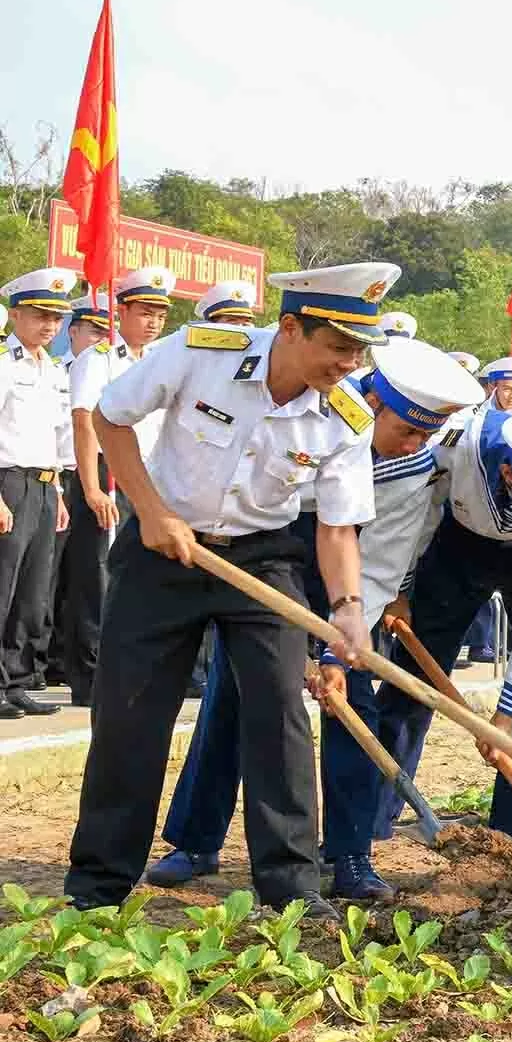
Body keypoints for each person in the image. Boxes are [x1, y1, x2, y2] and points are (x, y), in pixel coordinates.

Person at [65, 262, 391, 918]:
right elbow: (110, 417)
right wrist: (150, 511)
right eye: (338, 347)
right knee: (130, 718)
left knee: (280, 720)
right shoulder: (200, 353)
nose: (349, 364)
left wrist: (349, 611)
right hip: (163, 550)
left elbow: (336, 529)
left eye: (360, 351)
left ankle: (291, 889)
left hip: (262, 562)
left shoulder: (346, 416)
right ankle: (98, 888)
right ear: (291, 328)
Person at [372, 408, 512, 845]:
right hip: (458, 548)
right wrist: (399, 589)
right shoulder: (460, 446)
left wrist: (505, 713)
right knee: (412, 682)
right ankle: (370, 821)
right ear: (507, 473)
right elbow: (415, 515)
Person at [308, 338, 483, 900]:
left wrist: (339, 650)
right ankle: (196, 840)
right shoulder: (316, 418)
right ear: (373, 403)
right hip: (282, 558)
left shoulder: (413, 466)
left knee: (353, 704)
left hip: (355, 581)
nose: (415, 445)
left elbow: (380, 561)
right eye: (407, 430)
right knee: (238, 702)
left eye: (426, 435)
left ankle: (350, 857)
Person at [63, 264, 177, 706]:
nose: (152, 321)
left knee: (137, 577)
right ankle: (89, 677)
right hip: (106, 474)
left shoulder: (160, 360)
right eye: (144, 311)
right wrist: (91, 488)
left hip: (146, 479)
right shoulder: (101, 358)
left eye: (159, 314)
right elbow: (84, 421)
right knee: (97, 577)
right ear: (121, 311)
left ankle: (126, 668)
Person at [0, 268, 78, 719]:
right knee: (3, 587)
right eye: (38, 315)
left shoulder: (53, 369)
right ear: (15, 315)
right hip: (9, 482)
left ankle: (17, 679)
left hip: (47, 487)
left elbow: (56, 435)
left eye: (55, 317)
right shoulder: (5, 364)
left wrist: (61, 495)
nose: (48, 325)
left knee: (33, 594)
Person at [41, 295, 107, 697]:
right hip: (58, 475)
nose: (101, 338)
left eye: (106, 331)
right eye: (94, 330)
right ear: (75, 331)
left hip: (92, 475)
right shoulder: (57, 370)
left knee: (88, 573)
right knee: (49, 578)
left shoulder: (110, 370)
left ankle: (67, 661)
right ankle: (44, 663)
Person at [454, 358, 512, 667]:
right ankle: (466, 643)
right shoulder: (474, 420)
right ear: (491, 388)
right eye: (506, 388)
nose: (511, 395)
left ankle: (484, 642)